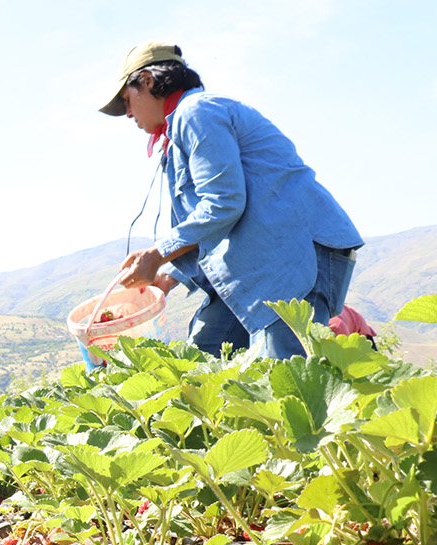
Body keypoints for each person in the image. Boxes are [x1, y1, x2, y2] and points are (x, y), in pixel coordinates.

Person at [101, 42, 363, 359]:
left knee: (283, 379)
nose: (128, 113)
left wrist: (158, 253)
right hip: (254, 263)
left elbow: (224, 203)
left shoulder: (197, 113)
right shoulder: (181, 129)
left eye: (127, 101)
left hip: (288, 259)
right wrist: (169, 276)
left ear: (147, 80)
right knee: (202, 360)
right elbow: (211, 223)